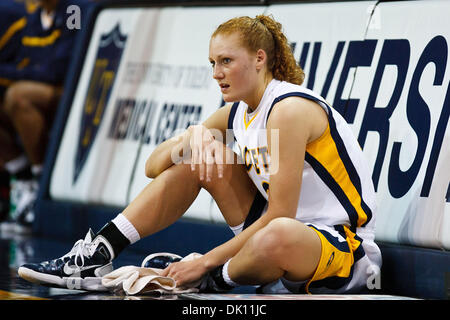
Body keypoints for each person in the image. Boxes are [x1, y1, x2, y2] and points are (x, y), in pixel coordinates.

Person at [18, 15, 382, 294]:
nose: (216, 73)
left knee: (279, 233)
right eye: (212, 63)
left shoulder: (288, 109)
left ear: (259, 59)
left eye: (226, 61)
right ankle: (98, 253)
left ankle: (207, 279)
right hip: (273, 239)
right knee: (196, 160)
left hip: (340, 246)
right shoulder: (238, 112)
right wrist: (191, 139)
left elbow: (279, 215)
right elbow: (153, 166)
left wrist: (204, 261)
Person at [0, 0, 89, 233]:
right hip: (43, 87)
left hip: (71, 92)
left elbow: (57, 69)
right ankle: (23, 179)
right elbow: (24, 63)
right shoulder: (33, 17)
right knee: (14, 94)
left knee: (19, 96)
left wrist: (13, 74)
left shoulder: (74, 11)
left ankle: (41, 183)